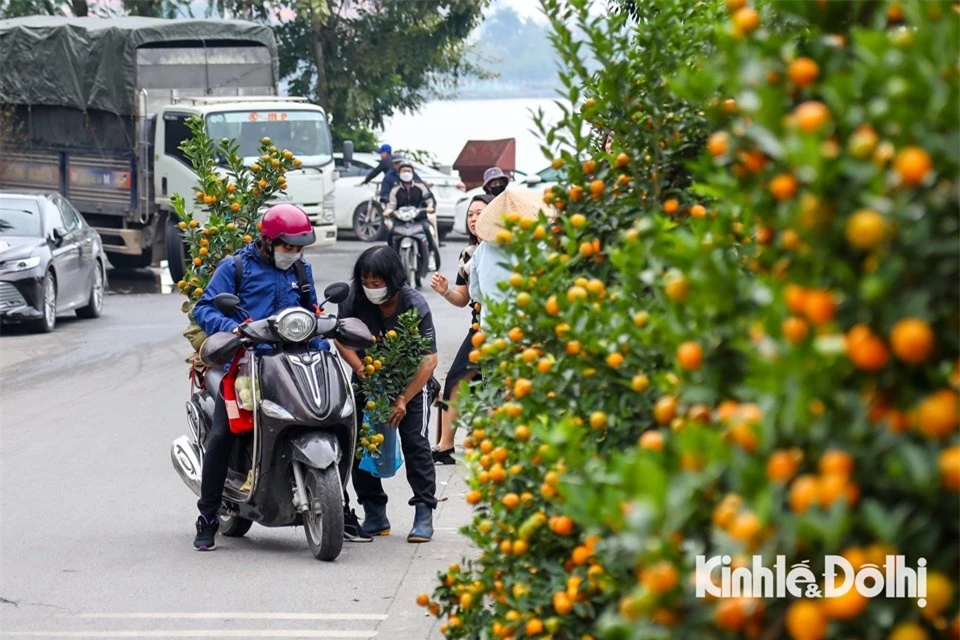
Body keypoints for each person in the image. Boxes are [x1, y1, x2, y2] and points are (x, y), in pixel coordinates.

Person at [191, 204, 323, 551]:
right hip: (246, 366)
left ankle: (342, 505)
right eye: (287, 247)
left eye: (298, 248)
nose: (293, 254)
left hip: (291, 366)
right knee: (223, 435)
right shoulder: (235, 267)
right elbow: (203, 308)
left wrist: (324, 337)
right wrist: (234, 328)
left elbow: (310, 311)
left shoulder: (301, 270)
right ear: (268, 242)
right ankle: (207, 515)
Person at [335, 246, 439, 543]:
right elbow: (341, 339)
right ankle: (374, 512)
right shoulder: (354, 299)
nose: (371, 289)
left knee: (416, 443)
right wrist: (361, 369)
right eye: (366, 282)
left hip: (411, 383)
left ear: (393, 279)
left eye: (377, 283)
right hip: (368, 378)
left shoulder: (414, 303)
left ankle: (423, 511)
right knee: (360, 442)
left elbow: (429, 360)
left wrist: (404, 398)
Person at [429, 194, 492, 464]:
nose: (475, 218)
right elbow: (463, 298)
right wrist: (445, 292)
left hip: (505, 327)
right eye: (471, 214)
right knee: (456, 380)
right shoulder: (468, 254)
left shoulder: (505, 248)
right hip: (479, 326)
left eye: (481, 213)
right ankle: (445, 446)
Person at [470, 189, 552, 331]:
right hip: (528, 330)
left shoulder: (481, 250)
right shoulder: (539, 245)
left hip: (492, 330)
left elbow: (476, 294)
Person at [385, 160, 441, 271]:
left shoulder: (421, 187)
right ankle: (389, 259)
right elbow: (391, 204)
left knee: (427, 230)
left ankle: (430, 255)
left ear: (413, 173)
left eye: (408, 171)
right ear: (399, 173)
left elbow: (430, 200)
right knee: (391, 233)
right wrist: (388, 211)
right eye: (404, 171)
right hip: (400, 220)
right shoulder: (395, 190)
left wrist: (429, 207)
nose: (406, 173)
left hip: (419, 218)